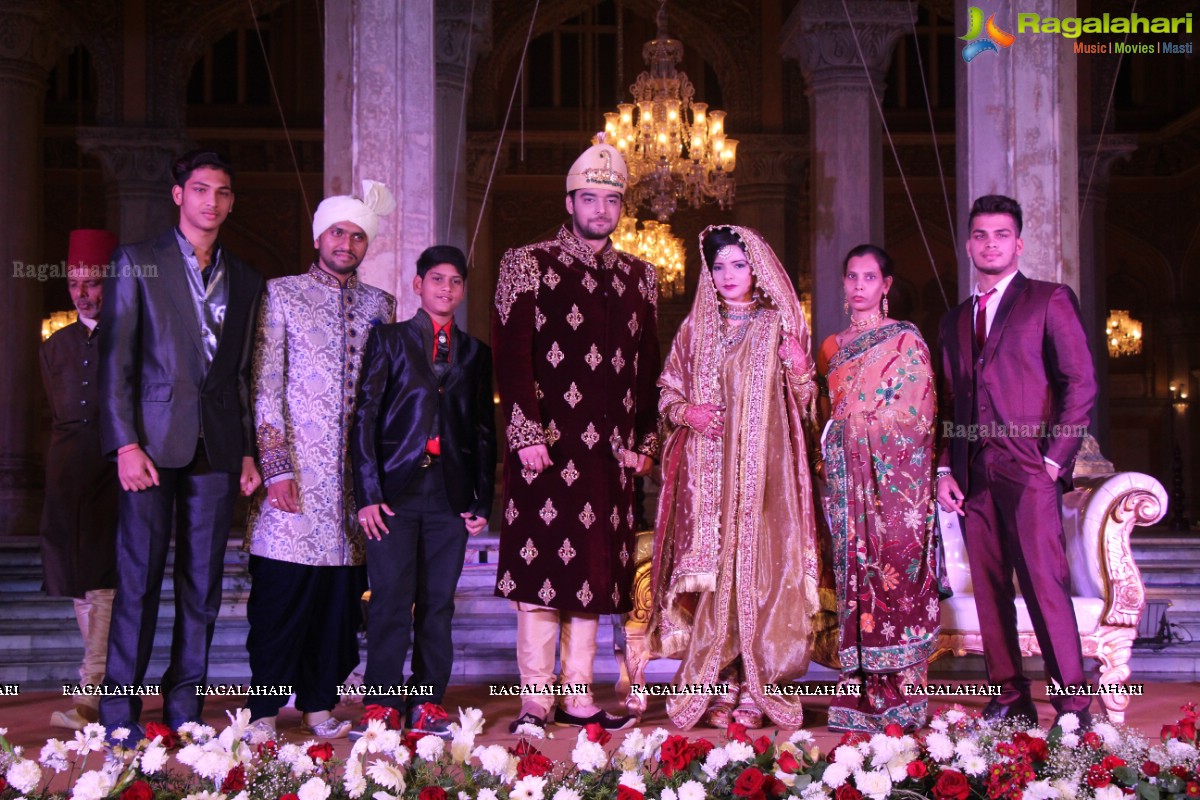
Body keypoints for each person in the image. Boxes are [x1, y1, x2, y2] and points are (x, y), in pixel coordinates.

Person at [492, 138, 660, 733]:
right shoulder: (527, 263)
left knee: (592, 572)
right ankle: (537, 699)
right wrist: (525, 432)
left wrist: (645, 443)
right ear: (569, 201)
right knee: (542, 573)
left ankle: (579, 694)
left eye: (611, 200)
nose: (600, 210)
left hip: (607, 457)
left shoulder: (641, 277)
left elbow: (648, 368)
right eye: (589, 199)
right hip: (547, 450)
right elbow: (513, 358)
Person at [99, 150, 264, 738]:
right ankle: (119, 713)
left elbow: (242, 372)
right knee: (138, 580)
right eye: (200, 190)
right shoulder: (137, 262)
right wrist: (124, 444)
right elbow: (115, 359)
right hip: (150, 446)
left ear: (230, 202)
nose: (211, 202)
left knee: (203, 585)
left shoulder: (244, 278)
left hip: (216, 448)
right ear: (178, 195)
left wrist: (246, 449)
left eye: (221, 192)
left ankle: (183, 707)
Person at [648, 225, 825, 730]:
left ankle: (758, 682)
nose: (728, 276)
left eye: (738, 265)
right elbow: (666, 394)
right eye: (719, 266)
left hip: (768, 481)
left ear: (757, 270)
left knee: (765, 574)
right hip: (708, 484)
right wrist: (690, 414)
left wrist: (800, 369)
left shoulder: (778, 327)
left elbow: (806, 407)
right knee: (716, 578)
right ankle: (719, 681)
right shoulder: (694, 330)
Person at [243, 181, 398, 740]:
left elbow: (386, 398)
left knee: (337, 608)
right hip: (296, 481)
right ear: (319, 236)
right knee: (281, 599)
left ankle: (318, 704)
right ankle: (262, 711)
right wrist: (276, 466)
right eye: (339, 232)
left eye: (358, 236)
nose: (348, 243)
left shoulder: (381, 305)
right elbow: (266, 384)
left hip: (354, 488)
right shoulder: (282, 293)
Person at [936, 194, 1097, 728]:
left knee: (1044, 584)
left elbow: (1081, 384)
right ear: (968, 245)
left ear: (1019, 243)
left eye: (1001, 234)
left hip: (1030, 470)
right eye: (980, 235)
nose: (990, 243)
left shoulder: (1049, 300)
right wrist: (945, 468)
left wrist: (1054, 460)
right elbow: (950, 403)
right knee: (989, 588)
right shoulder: (956, 320)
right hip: (973, 474)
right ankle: (1010, 696)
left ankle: (1072, 704)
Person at [351, 245, 496, 738]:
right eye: (437, 279)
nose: (446, 289)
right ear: (418, 285)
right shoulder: (388, 340)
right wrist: (367, 492)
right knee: (390, 600)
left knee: (438, 603)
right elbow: (365, 416)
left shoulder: (476, 353)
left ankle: (428, 700)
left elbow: (482, 430)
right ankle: (383, 702)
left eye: (455, 281)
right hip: (395, 489)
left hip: (449, 494)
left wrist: (481, 500)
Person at [816, 244, 942, 732]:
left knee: (894, 572)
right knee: (855, 580)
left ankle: (904, 696)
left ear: (886, 286)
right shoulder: (831, 346)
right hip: (847, 485)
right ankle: (862, 692)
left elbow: (919, 413)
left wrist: (857, 428)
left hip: (895, 488)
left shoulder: (905, 341)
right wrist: (835, 436)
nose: (859, 286)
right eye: (852, 276)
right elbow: (822, 415)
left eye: (869, 277)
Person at [40, 229, 120, 730]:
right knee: (74, 578)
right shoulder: (57, 346)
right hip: (67, 472)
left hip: (115, 471)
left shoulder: (131, 338)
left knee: (104, 581)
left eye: (92, 283)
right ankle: (92, 686)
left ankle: (93, 691)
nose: (83, 293)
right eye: (75, 285)